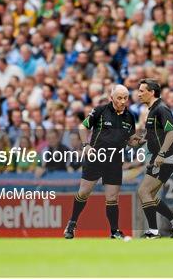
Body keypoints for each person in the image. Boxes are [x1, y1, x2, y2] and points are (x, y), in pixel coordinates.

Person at [64, 85, 137, 240]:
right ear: (112, 97)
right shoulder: (100, 111)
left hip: (115, 160)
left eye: (125, 98)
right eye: (119, 98)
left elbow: (130, 140)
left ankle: (114, 231)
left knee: (112, 197)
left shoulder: (130, 117)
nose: (123, 101)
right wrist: (86, 145)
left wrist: (137, 141)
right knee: (84, 192)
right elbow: (82, 127)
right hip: (96, 158)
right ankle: (72, 223)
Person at [135, 79, 173, 239]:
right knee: (149, 195)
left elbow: (171, 132)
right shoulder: (152, 110)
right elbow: (158, 135)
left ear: (152, 92)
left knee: (143, 191)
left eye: (142, 91)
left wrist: (162, 154)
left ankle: (153, 231)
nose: (138, 94)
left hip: (165, 157)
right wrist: (142, 140)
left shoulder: (161, 109)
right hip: (160, 157)